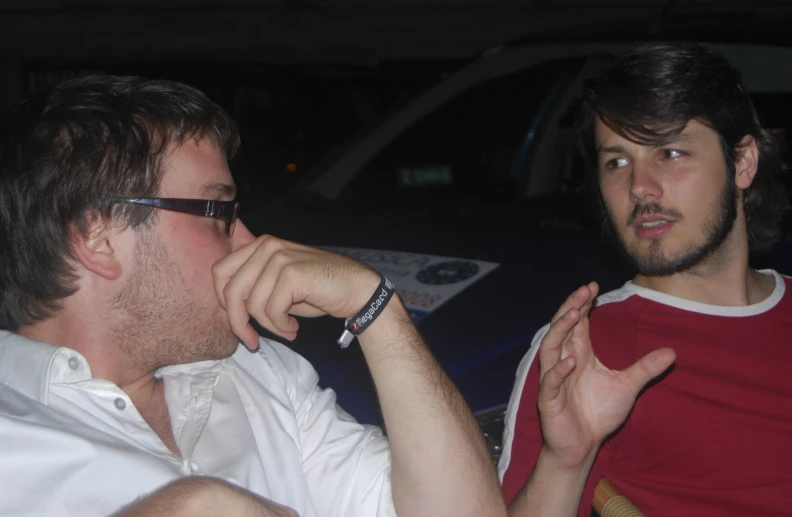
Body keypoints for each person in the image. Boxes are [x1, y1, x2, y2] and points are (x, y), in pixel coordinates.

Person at [0, 75, 507, 517]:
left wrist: (376, 306)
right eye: (217, 212)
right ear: (99, 237)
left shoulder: (263, 375)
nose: (249, 241)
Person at [499, 42, 792, 516]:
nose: (639, 187)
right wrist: (564, 463)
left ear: (742, 162)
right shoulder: (590, 349)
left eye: (671, 153)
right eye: (616, 162)